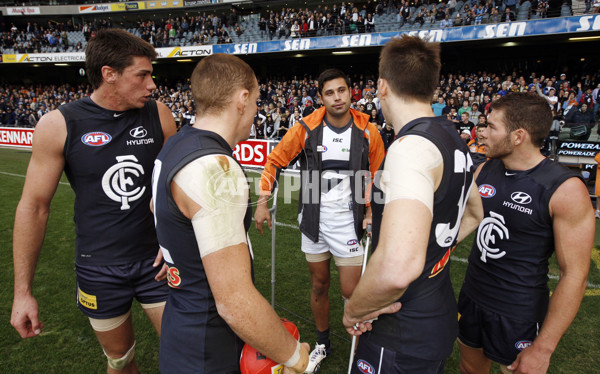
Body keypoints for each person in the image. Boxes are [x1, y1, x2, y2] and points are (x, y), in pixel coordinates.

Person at [10, 28, 177, 373]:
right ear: (109, 74)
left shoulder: (159, 115)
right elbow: (34, 207)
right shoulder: (58, 125)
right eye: (142, 75)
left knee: (186, 353)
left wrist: (176, 241)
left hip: (157, 263)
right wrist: (22, 292)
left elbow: (174, 187)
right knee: (120, 361)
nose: (152, 85)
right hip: (99, 268)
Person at [153, 53, 310, 374]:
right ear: (242, 98)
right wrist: (297, 357)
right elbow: (234, 302)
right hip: (209, 348)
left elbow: (158, 207)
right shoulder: (215, 168)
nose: (257, 111)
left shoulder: (176, 144)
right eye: (255, 101)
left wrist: (179, 251)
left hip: (180, 331)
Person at [343, 35, 483, 373]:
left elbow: (399, 267)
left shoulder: (410, 147)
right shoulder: (453, 139)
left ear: (382, 87)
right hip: (433, 317)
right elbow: (476, 212)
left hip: (402, 329)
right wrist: (436, 249)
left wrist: (354, 309)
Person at [254, 68, 385, 372]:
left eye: (341, 90)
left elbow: (377, 176)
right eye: (329, 93)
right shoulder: (307, 128)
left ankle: (364, 344)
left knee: (352, 293)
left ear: (351, 93)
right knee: (319, 285)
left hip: (348, 223)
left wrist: (369, 213)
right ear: (320, 97)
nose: (337, 97)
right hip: (313, 221)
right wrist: (263, 202)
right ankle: (323, 343)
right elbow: (274, 161)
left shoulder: (369, 131)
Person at [457, 92, 594, 374]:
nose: (481, 133)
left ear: (518, 136)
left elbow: (575, 275)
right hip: (472, 295)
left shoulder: (564, 189)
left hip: (518, 310)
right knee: (470, 368)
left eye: (492, 126)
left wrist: (544, 347)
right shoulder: (484, 169)